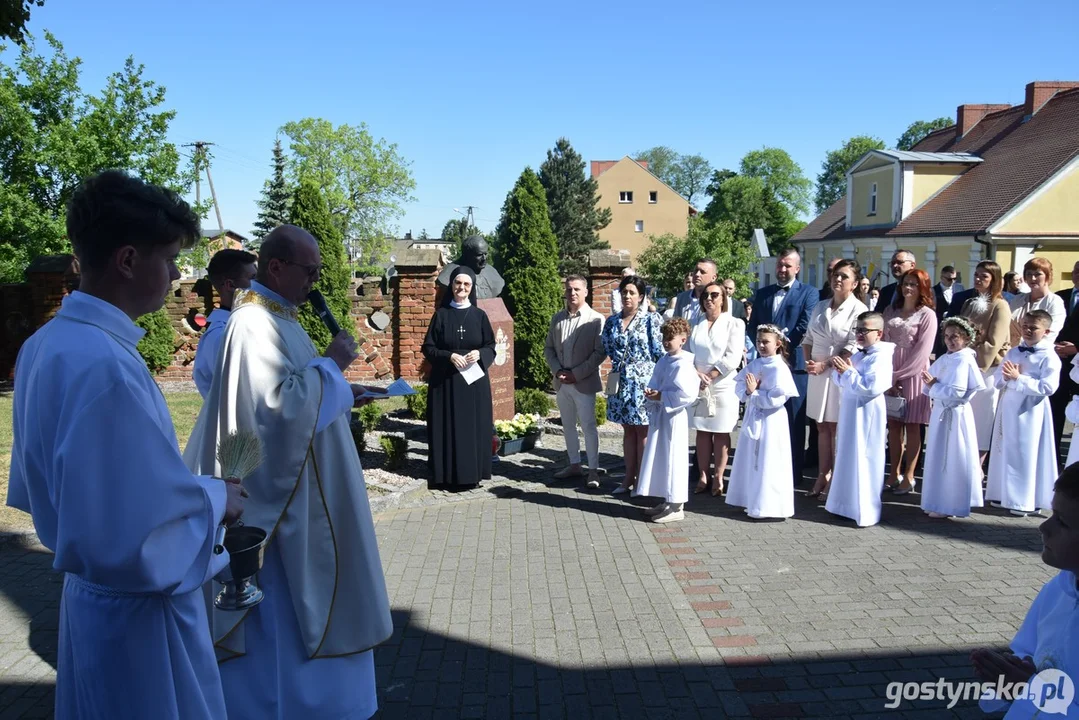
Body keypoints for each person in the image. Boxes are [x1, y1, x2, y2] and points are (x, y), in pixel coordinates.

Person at [7, 170, 245, 718]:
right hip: (139, 620)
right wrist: (219, 499)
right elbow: (141, 531)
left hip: (93, 605)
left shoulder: (47, 343)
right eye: (168, 261)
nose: (173, 277)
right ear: (129, 260)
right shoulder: (106, 365)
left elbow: (98, 489)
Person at [184, 225, 392, 719]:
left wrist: (341, 390)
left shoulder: (281, 317)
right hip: (283, 517)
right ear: (275, 267)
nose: (316, 281)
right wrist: (333, 368)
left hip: (310, 493)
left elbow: (300, 391)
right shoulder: (250, 325)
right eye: (310, 271)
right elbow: (271, 412)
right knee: (283, 633)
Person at [971, 463, 1079, 719]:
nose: (1044, 528)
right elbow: (1029, 650)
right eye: (1052, 514)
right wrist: (1010, 671)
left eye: (1062, 522)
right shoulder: (1059, 589)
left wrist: (1029, 691)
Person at [747, 248, 819, 485]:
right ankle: (765, 471)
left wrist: (780, 349)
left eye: (788, 265)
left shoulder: (809, 293)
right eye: (780, 264)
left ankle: (793, 473)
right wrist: (764, 351)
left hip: (793, 366)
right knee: (765, 417)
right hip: (765, 367)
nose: (783, 269)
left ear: (797, 268)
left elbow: (804, 325)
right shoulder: (763, 293)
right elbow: (753, 325)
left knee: (794, 422)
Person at [423, 265, 496, 489]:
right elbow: (428, 348)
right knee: (447, 426)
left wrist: (480, 353)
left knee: (472, 428)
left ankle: (472, 474)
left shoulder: (479, 316)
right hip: (445, 383)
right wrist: (449, 356)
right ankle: (445, 476)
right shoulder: (441, 315)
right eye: (457, 283)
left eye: (466, 284)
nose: (461, 288)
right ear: (451, 285)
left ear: (471, 288)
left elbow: (491, 346)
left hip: (473, 384)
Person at [802, 259, 868, 499]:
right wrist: (810, 362)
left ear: (855, 283)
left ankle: (836, 478)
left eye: (844, 276)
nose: (837, 279)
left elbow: (852, 346)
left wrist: (825, 364)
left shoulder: (859, 309)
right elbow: (808, 337)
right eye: (835, 275)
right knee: (820, 426)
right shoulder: (820, 306)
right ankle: (822, 474)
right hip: (817, 372)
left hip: (840, 371)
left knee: (835, 426)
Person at [987, 310, 1061, 516]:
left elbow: (1048, 387)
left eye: (1033, 327)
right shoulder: (1014, 351)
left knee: (1024, 452)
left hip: (1031, 410)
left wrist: (1019, 378)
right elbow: (999, 378)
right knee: (1004, 447)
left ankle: (1023, 500)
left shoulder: (1049, 356)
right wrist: (1005, 377)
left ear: (1046, 331)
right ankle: (1002, 492)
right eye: (1025, 325)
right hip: (1009, 404)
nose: (1027, 330)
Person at [825, 312, 894, 527]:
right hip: (850, 411)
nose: (860, 334)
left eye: (865, 330)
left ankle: (865, 509)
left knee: (865, 456)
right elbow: (843, 380)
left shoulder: (881, 356)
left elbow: (871, 387)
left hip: (867, 413)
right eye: (858, 330)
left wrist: (847, 373)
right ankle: (844, 504)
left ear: (879, 333)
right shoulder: (858, 354)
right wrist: (840, 371)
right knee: (847, 454)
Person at [726, 325, 800, 519]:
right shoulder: (756, 363)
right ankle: (752, 499)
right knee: (752, 458)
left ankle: (769, 505)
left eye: (766, 342)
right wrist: (748, 391)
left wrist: (755, 392)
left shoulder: (779, 367)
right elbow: (740, 386)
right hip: (754, 415)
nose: (761, 345)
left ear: (778, 344)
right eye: (758, 341)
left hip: (772, 420)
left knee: (769, 459)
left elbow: (777, 398)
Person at [602, 275, 664, 495]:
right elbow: (607, 348)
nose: (627, 296)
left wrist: (660, 382)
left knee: (643, 430)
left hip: (644, 381)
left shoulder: (651, 320)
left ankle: (642, 480)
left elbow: (660, 352)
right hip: (621, 380)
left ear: (641, 297)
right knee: (627, 430)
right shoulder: (612, 321)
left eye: (632, 292)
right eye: (624, 292)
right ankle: (628, 477)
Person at [919, 317, 986, 519]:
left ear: (966, 338)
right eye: (946, 336)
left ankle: (951, 503)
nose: (949, 340)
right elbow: (927, 383)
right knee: (939, 456)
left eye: (954, 336)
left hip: (955, 414)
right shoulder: (946, 358)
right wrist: (932, 387)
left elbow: (957, 392)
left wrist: (934, 387)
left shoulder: (964, 359)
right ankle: (938, 499)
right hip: (941, 411)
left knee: (953, 456)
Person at [544, 275, 606, 488]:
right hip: (562, 383)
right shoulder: (557, 318)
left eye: (577, 289)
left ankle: (593, 471)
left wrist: (576, 374)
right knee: (568, 426)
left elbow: (599, 353)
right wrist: (557, 370)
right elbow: (549, 348)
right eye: (569, 289)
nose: (572, 293)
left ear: (586, 291)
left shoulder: (596, 319)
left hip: (583, 382)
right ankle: (574, 464)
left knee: (588, 426)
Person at [636, 317, 700, 524]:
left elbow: (688, 394)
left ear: (683, 339)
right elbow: (657, 380)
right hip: (662, 414)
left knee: (674, 456)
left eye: (670, 338)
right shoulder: (664, 360)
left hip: (674, 416)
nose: (666, 341)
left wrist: (661, 396)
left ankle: (677, 505)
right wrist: (651, 391)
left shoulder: (685, 364)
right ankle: (667, 499)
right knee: (662, 455)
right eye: (664, 337)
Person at [882, 268, 938, 494]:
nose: (908, 288)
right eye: (906, 283)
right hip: (889, 369)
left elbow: (923, 351)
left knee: (913, 426)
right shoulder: (890, 310)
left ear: (922, 288)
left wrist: (899, 375)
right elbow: (883, 341)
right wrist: (888, 375)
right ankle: (893, 472)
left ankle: (910, 475)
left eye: (914, 284)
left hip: (914, 374)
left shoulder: (927, 314)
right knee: (893, 426)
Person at [687, 282, 745, 496]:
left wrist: (711, 376)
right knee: (701, 431)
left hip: (723, 384)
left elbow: (733, 357)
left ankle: (719, 478)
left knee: (721, 432)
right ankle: (703, 475)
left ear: (723, 299)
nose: (709, 299)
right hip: (699, 384)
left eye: (714, 295)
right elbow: (687, 352)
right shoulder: (695, 323)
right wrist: (696, 374)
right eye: (705, 295)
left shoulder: (734, 323)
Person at [961, 260, 1012, 464]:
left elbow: (994, 341)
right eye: (976, 274)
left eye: (984, 276)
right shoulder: (969, 303)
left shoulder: (1000, 305)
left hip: (986, 369)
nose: (978, 279)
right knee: (966, 417)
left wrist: (974, 360)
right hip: (965, 365)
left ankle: (978, 465)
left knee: (982, 419)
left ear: (994, 280)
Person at [193, 248, 257, 398]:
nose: (259, 285)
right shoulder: (222, 336)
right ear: (230, 285)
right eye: (253, 278)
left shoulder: (243, 324)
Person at [1050, 260, 1079, 459]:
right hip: (1057, 362)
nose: (1077, 274)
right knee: (1055, 411)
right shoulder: (1060, 297)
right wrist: (1054, 347)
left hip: (1078, 364)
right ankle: (1052, 458)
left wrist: (1076, 348)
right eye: (1076, 271)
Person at [1009, 257, 1066, 346]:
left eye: (1038, 274)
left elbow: (1051, 333)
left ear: (1047, 276)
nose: (1033, 278)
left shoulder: (1055, 302)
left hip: (1037, 354)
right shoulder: (1017, 299)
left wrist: (1027, 350)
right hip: (1012, 352)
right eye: (1029, 274)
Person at [436, 234, 504, 299]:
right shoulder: (448, 274)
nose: (484, 258)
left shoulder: (492, 272)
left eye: (485, 254)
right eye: (479, 255)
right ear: (467, 255)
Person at [671, 258, 718, 323]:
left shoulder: (719, 299)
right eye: (696, 271)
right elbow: (676, 325)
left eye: (702, 272)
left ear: (713, 278)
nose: (697, 274)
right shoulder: (682, 297)